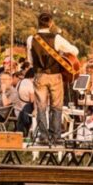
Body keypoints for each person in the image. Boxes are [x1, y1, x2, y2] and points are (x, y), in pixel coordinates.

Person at [27, 12, 79, 145]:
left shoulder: (31, 39)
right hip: (55, 75)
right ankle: (56, 136)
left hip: (39, 75)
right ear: (51, 23)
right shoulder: (57, 38)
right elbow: (75, 51)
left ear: (38, 23)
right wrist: (61, 54)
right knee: (56, 106)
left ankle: (43, 137)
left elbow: (30, 60)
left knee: (41, 106)